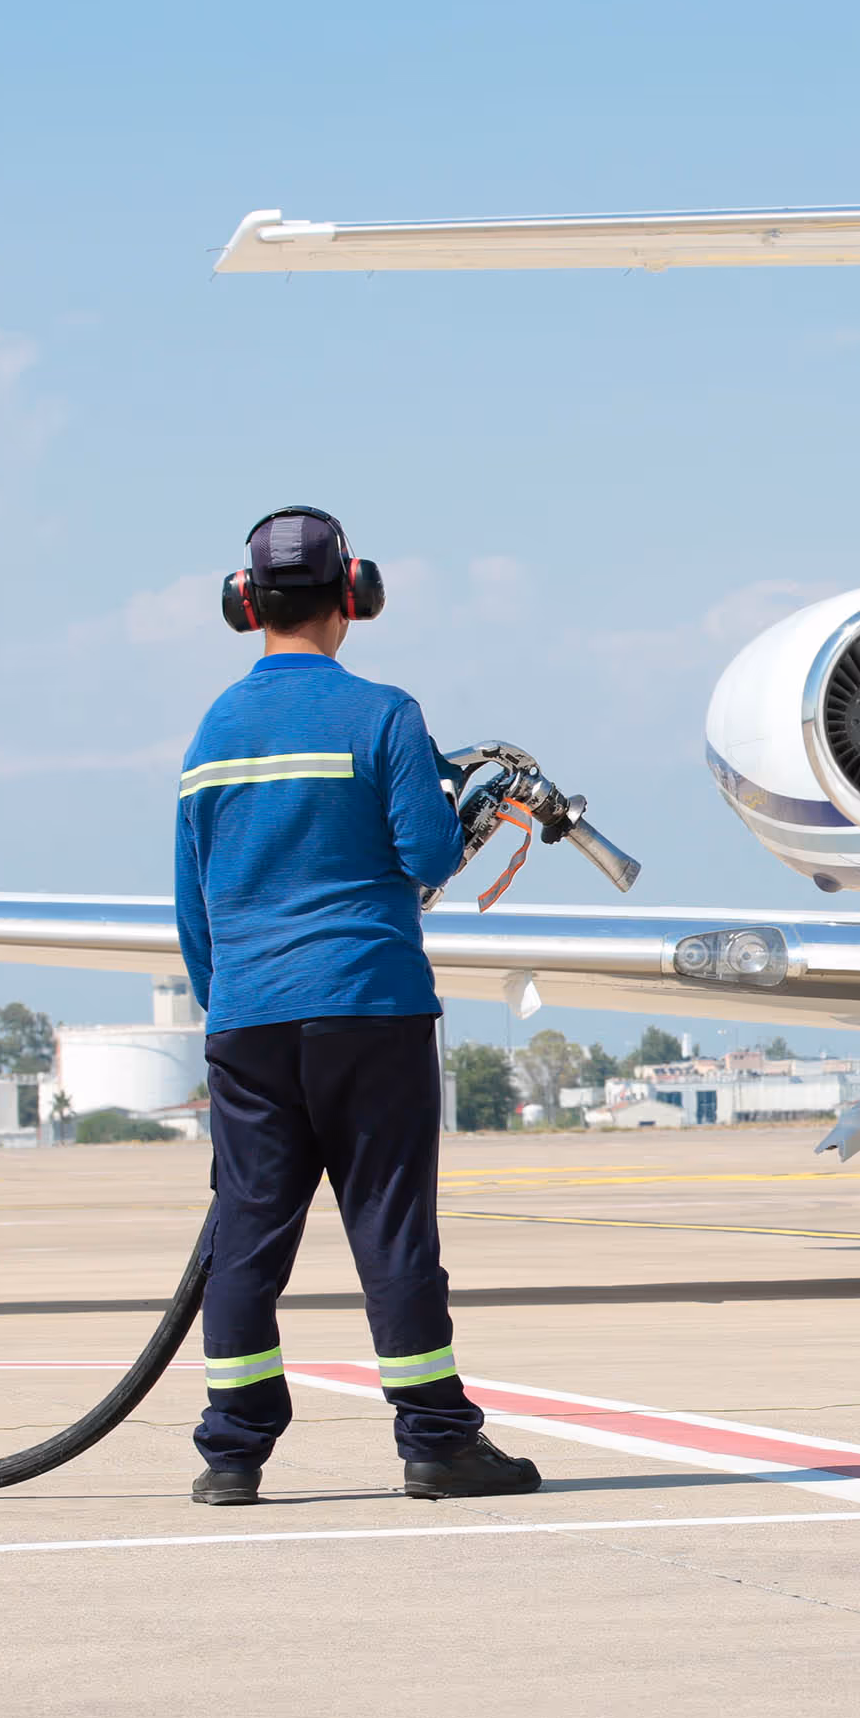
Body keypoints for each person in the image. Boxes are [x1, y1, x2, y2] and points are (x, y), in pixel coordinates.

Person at [173, 505, 539, 1507]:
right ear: (355, 595)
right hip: (368, 1010)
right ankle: (435, 1439)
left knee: (248, 1236)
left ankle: (231, 1451)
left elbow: (191, 901)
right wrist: (459, 801)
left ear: (246, 606)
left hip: (247, 1019)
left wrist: (233, 1008)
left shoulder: (211, 732)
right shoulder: (383, 715)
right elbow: (425, 855)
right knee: (391, 1228)